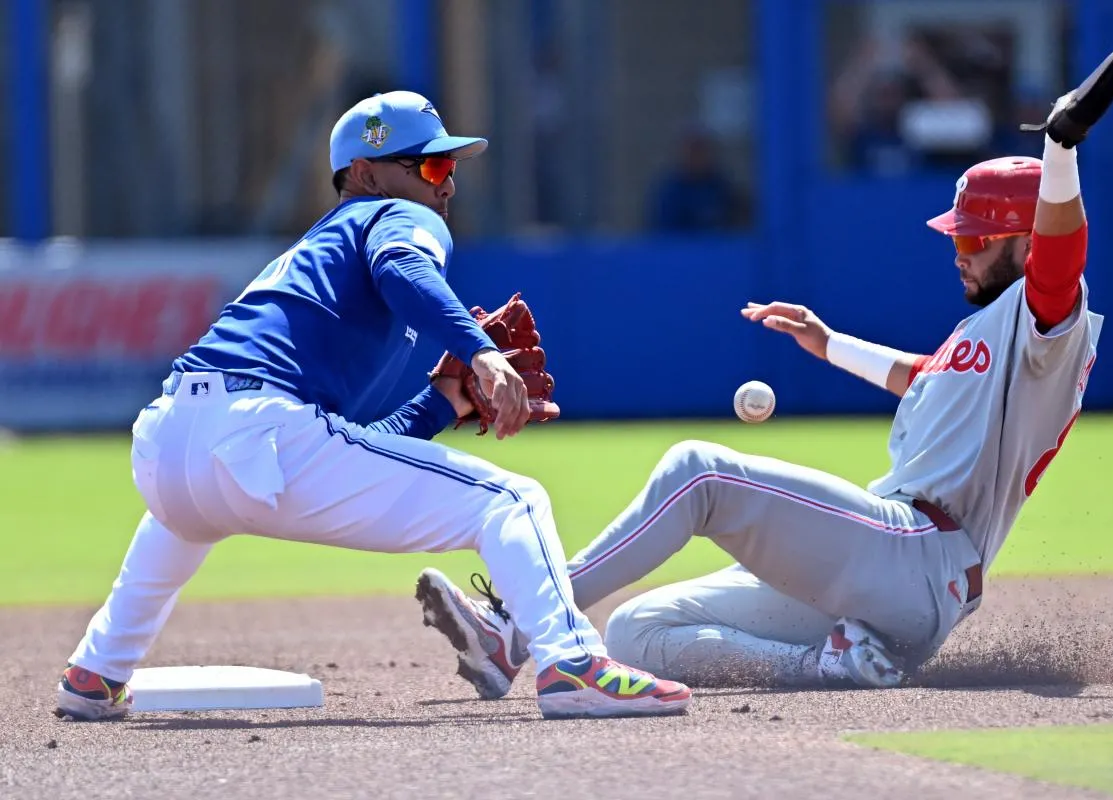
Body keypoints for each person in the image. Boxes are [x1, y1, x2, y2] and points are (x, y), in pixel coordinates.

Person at [416, 51, 1113, 694]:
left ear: (1025, 243)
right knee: (638, 629)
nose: (958, 251)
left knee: (699, 473)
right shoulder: (987, 333)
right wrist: (830, 345)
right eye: (957, 236)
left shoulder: (1046, 324)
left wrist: (1060, 149)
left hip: (922, 554)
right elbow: (928, 377)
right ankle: (836, 665)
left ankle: (515, 627)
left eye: (974, 238)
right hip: (887, 573)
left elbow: (1061, 258)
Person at [54, 91, 691, 722]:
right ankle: (573, 663)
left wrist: (443, 402)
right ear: (363, 175)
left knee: (184, 519)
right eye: (432, 166)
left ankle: (97, 669)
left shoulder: (313, 255)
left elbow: (342, 451)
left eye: (452, 168)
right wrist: (479, 352)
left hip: (167, 437)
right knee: (512, 501)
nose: (446, 185)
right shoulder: (389, 217)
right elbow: (402, 269)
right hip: (258, 428)